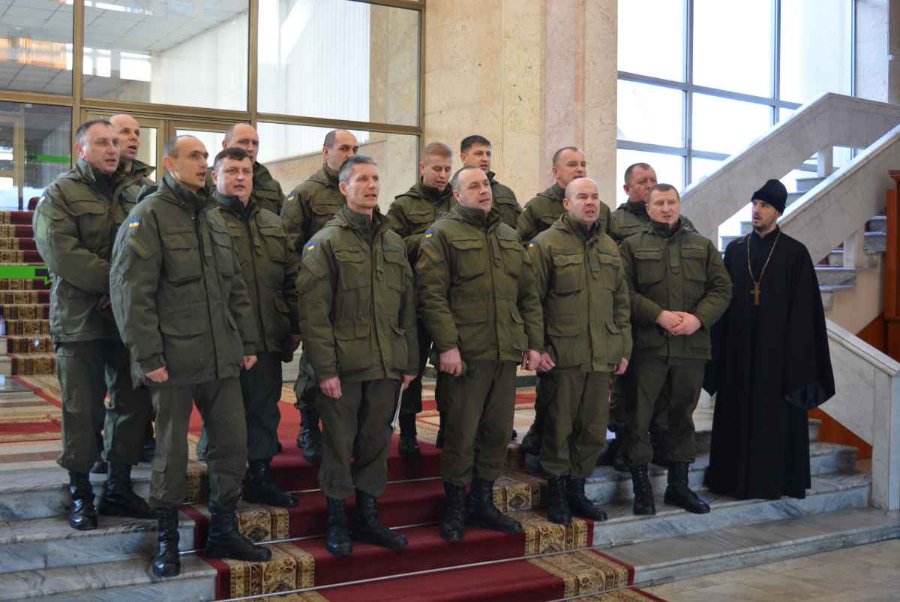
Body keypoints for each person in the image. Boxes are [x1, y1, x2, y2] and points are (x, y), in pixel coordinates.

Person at [110, 135, 271, 577]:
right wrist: (147, 356)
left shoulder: (213, 217)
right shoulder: (149, 216)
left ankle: (223, 528)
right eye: (194, 156)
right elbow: (131, 294)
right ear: (169, 163)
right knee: (170, 452)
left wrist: (247, 343)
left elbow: (235, 287)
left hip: (221, 356)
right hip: (173, 358)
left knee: (232, 444)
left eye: (204, 156)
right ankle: (167, 538)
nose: (203, 163)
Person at [33, 119, 154, 531]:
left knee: (131, 405)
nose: (112, 149)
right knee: (81, 409)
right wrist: (116, 284)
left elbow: (146, 250)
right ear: (81, 149)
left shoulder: (137, 193)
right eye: (102, 142)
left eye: (115, 142)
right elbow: (61, 254)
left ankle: (118, 486)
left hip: (126, 320)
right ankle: (81, 491)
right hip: (79, 318)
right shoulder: (60, 194)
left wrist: (122, 291)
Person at [297, 155, 417, 557]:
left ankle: (368, 517)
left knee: (376, 442)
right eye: (362, 179)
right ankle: (336, 520)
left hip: (385, 364)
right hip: (343, 368)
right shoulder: (326, 242)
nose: (371, 185)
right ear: (344, 187)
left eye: (375, 178)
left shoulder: (393, 241)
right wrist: (325, 370)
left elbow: (407, 306)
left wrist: (409, 361)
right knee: (339, 444)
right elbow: (313, 315)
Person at [417, 165, 543, 542]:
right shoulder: (441, 234)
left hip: (504, 352)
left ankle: (482, 501)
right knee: (461, 433)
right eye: (473, 186)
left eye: (485, 184)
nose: (483, 190)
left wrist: (533, 343)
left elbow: (528, 295)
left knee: (496, 432)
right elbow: (431, 295)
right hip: (465, 355)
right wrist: (447, 346)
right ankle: (455, 506)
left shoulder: (508, 236)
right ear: (457, 195)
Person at [705, 179, 834, 500]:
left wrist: (796, 359)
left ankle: (774, 482)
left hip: (778, 358)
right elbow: (721, 302)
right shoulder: (736, 250)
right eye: (754, 204)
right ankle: (730, 480)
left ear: (778, 211)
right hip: (738, 351)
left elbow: (806, 313)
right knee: (736, 415)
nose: (756, 210)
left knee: (773, 420)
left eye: (764, 205)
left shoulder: (795, 253)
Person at [619, 184, 731, 516]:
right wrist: (658, 315)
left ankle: (679, 487)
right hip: (648, 348)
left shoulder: (702, 245)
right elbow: (623, 292)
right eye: (659, 203)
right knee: (638, 417)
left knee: (682, 417)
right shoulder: (631, 246)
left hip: (690, 347)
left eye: (671, 202)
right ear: (648, 207)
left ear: (679, 205)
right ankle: (642, 490)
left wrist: (698, 319)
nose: (666, 208)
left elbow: (722, 288)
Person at [528, 177, 631, 525]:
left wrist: (622, 348)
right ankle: (556, 492)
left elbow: (621, 304)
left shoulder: (609, 246)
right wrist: (537, 346)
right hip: (562, 355)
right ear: (566, 203)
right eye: (582, 196)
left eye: (595, 196)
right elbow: (532, 300)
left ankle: (577, 489)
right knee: (559, 426)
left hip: (601, 355)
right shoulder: (546, 243)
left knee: (592, 429)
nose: (590, 202)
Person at [202, 147, 300, 508]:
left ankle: (259, 475)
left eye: (245, 171)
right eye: (231, 171)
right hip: (222, 338)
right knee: (223, 416)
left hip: (267, 335)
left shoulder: (272, 222)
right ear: (215, 177)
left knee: (264, 410)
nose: (240, 177)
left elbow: (291, 277)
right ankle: (221, 484)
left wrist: (294, 325)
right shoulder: (204, 220)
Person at [517, 146, 614, 456]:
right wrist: (537, 344)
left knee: (591, 421)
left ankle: (576, 477)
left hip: (595, 338)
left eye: (583, 163)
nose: (579, 168)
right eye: (572, 164)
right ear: (555, 171)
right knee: (556, 410)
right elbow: (532, 292)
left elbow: (618, 295)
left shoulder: (605, 228)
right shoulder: (539, 214)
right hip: (560, 332)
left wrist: (619, 345)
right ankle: (552, 466)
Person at [603, 162, 695, 469]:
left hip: (671, 324)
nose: (649, 184)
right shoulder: (616, 221)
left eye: (653, 179)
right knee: (629, 392)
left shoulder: (681, 223)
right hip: (635, 319)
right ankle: (624, 447)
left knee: (667, 394)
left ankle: (660, 445)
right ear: (627, 188)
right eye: (642, 181)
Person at [282, 129, 359, 463]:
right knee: (314, 367)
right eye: (344, 148)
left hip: (352, 297)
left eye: (355, 148)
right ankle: (308, 427)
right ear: (326, 152)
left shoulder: (358, 187)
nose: (350, 153)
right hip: (319, 294)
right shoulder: (305, 194)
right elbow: (288, 249)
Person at [386, 141, 455, 456]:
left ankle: (447, 427)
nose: (442, 175)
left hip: (450, 299)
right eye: (437, 169)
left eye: (447, 169)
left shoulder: (457, 200)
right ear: (422, 167)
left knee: (450, 366)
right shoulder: (403, 205)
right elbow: (393, 245)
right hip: (415, 298)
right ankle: (409, 432)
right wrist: (431, 235)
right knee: (411, 366)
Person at [110, 112, 157, 468]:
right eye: (124, 131)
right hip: (99, 301)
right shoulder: (94, 185)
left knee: (138, 381)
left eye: (137, 132)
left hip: (137, 299)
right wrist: (115, 282)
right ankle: (107, 453)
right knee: (107, 388)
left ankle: (142, 438)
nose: (133, 137)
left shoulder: (148, 187)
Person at [216, 123, 287, 215]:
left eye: (255, 143)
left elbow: (285, 219)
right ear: (225, 145)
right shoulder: (207, 179)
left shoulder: (271, 185)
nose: (250, 148)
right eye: (243, 142)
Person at [459, 135, 521, 229]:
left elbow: (520, 229)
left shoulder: (506, 192)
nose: (485, 159)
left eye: (488, 154)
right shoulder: (453, 192)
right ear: (463, 158)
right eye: (479, 154)